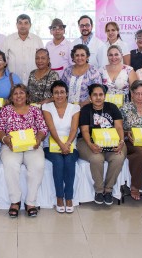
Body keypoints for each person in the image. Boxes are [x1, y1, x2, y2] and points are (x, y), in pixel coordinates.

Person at [0, 84, 48, 217]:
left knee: (38, 165)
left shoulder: (35, 110)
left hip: (32, 146)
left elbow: (43, 128)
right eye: (15, 93)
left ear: (27, 95)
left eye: (21, 93)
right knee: (11, 165)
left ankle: (30, 202)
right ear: (11, 97)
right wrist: (6, 140)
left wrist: (38, 138)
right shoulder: (6, 110)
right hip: (11, 146)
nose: (18, 96)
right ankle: (15, 201)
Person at [77, 84, 126, 206]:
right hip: (88, 141)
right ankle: (99, 190)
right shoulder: (85, 110)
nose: (98, 98)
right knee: (96, 158)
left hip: (111, 141)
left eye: (101, 95)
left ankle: (108, 190)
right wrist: (91, 145)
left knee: (118, 157)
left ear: (105, 96)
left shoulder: (112, 107)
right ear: (90, 97)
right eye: (95, 95)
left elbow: (119, 127)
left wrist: (121, 142)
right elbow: (84, 131)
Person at [42, 81, 80, 213]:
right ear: (52, 95)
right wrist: (60, 144)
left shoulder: (75, 108)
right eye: (56, 93)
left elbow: (74, 129)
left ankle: (69, 197)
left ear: (67, 93)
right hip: (51, 144)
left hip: (71, 144)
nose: (59, 95)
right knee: (58, 161)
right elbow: (51, 128)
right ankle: (59, 197)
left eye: (62, 92)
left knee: (69, 161)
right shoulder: (47, 107)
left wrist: (68, 144)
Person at [2, 14, 44, 84]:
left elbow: (42, 59)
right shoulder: (8, 40)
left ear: (30, 25)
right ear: (16, 25)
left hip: (34, 81)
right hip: (13, 81)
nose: (23, 26)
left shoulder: (37, 40)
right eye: (20, 23)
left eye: (26, 23)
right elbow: (3, 60)